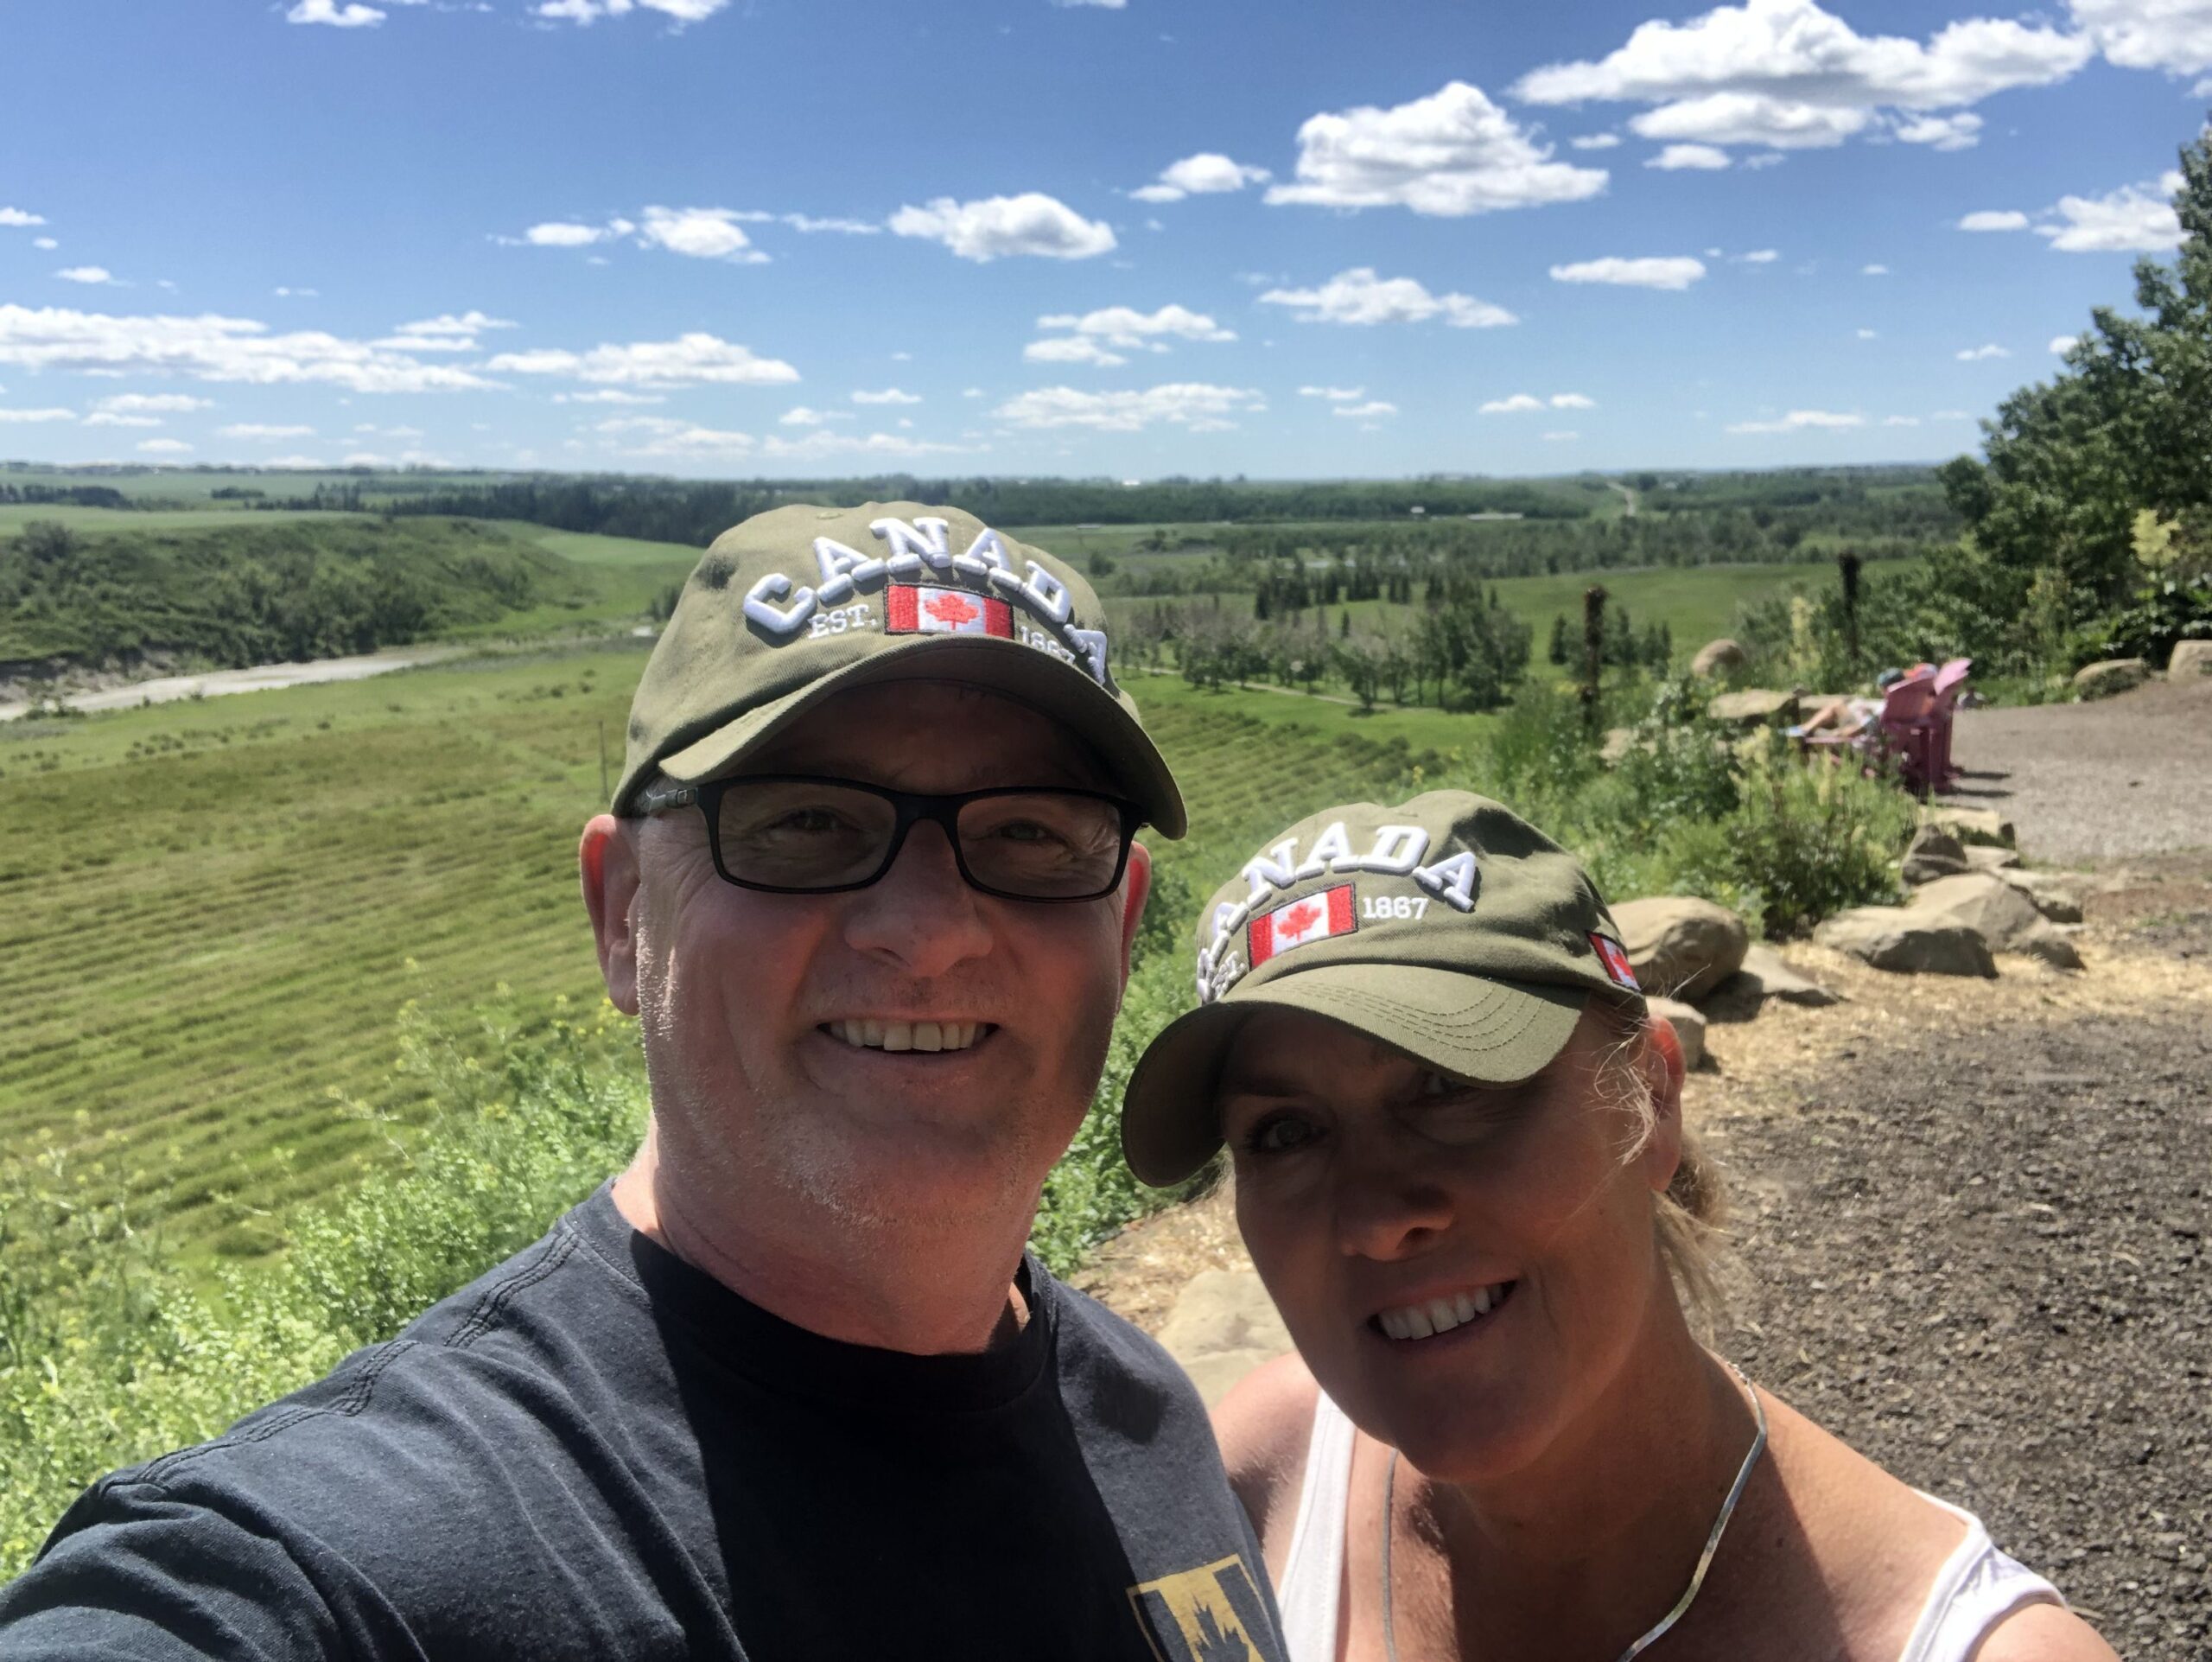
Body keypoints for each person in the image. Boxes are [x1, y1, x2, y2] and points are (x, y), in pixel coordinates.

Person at [0, 504, 1288, 1662]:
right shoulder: (350, 1563)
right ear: (623, 915)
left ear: (1120, 933)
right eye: (803, 822)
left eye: (1030, 832)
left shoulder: (1149, 1417)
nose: (931, 927)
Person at [1121, 791, 2115, 1662]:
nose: (1380, 1221)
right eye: (1286, 1133)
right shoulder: (1268, 1478)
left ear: (1652, 1097)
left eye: (1451, 1087)